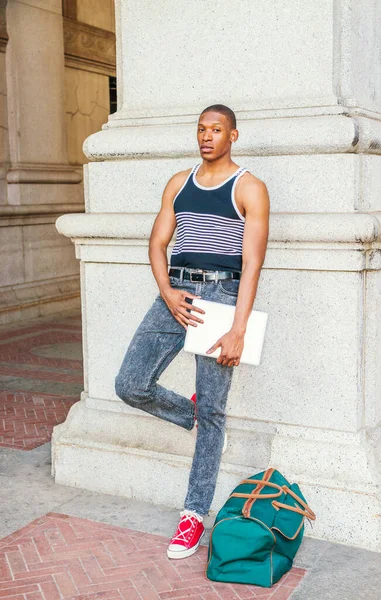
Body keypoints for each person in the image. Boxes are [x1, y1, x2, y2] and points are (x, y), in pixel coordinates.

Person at [115, 104, 270, 559]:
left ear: (233, 135)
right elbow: (158, 241)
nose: (207, 136)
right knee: (130, 384)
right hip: (176, 293)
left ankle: (194, 513)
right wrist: (165, 290)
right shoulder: (178, 183)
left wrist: (238, 328)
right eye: (202, 129)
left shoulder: (250, 188)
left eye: (216, 129)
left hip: (222, 298)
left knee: (216, 413)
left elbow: (253, 263)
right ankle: (191, 412)